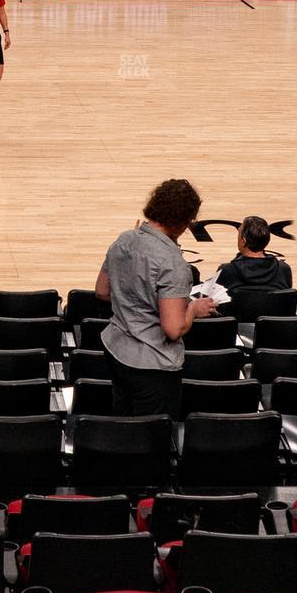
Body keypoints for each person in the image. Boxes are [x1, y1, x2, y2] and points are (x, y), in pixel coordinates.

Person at [97, 178, 213, 417]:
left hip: (116, 351)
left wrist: (133, 301)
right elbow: (173, 328)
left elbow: (102, 291)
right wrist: (193, 310)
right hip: (152, 366)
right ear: (184, 220)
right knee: (150, 440)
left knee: (124, 427)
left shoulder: (124, 240)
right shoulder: (172, 263)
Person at [212, 216, 292, 293]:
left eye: (239, 232)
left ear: (243, 241)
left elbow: (213, 302)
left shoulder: (226, 271)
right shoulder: (283, 270)